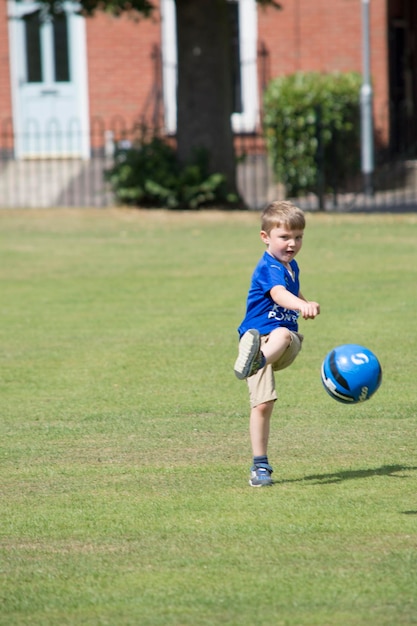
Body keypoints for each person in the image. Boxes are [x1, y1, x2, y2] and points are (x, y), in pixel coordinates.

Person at [234, 200, 320, 487]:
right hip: (259, 339)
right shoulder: (269, 266)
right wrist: (298, 306)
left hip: (281, 345)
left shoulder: (290, 264)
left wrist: (305, 302)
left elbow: (291, 290)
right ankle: (260, 467)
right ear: (265, 237)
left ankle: (258, 361)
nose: (292, 243)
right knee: (263, 404)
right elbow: (280, 294)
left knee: (286, 335)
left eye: (298, 237)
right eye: (284, 237)